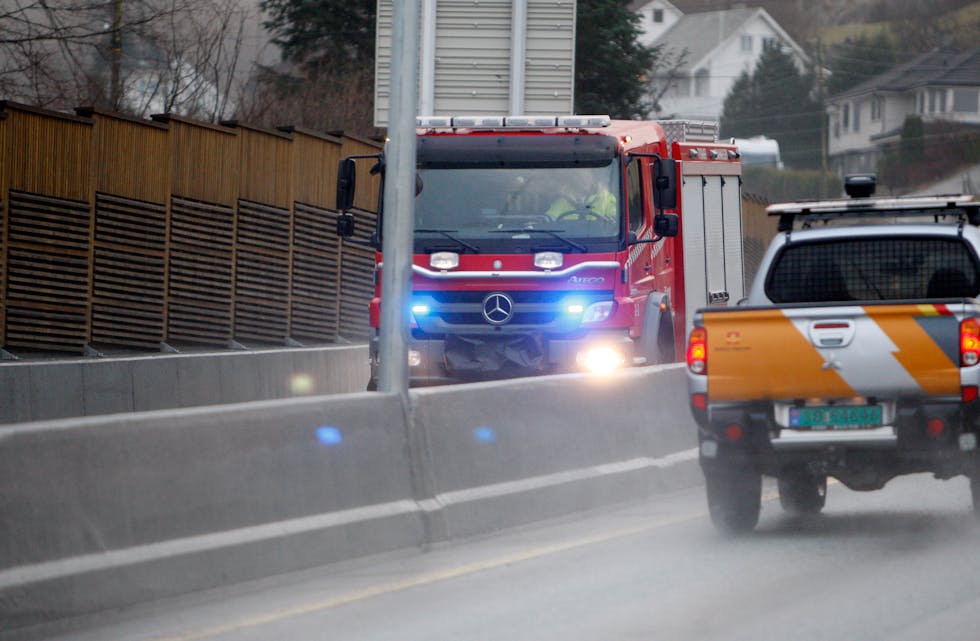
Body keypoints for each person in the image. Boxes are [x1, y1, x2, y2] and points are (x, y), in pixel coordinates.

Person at [546, 173, 617, 219]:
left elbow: (614, 221)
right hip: (569, 238)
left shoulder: (606, 198)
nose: (582, 180)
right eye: (578, 177)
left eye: (586, 177)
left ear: (593, 179)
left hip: (599, 239)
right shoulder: (564, 200)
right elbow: (550, 218)